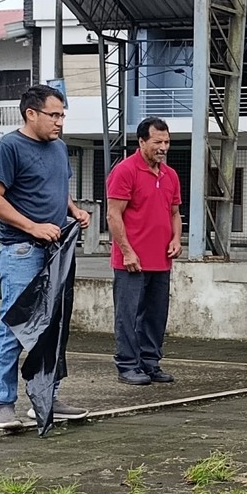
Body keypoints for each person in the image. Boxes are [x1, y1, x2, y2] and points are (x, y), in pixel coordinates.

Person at [0, 82, 94, 429]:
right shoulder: (8, 146)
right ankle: (3, 404)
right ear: (31, 114)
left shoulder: (59, 147)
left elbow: (57, 186)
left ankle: (47, 397)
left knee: (53, 326)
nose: (60, 122)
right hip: (22, 249)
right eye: (53, 115)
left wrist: (74, 209)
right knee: (16, 325)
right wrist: (33, 226)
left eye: (62, 115)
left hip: (56, 250)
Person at [106, 115, 183, 387]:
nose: (163, 147)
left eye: (167, 142)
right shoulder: (125, 171)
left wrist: (177, 238)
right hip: (132, 261)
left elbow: (174, 213)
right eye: (157, 142)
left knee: (156, 315)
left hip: (161, 260)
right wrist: (127, 251)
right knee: (128, 315)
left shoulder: (170, 175)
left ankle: (150, 362)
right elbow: (113, 215)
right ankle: (128, 364)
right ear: (141, 142)